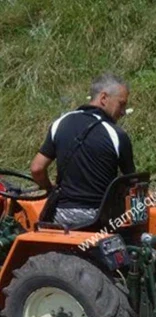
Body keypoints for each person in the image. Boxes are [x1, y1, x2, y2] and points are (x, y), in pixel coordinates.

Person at [30, 73, 136, 228]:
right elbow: (132, 184)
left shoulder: (61, 123)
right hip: (99, 218)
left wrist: (49, 189)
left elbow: (37, 168)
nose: (123, 112)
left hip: (61, 216)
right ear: (104, 98)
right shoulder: (116, 134)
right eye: (121, 104)